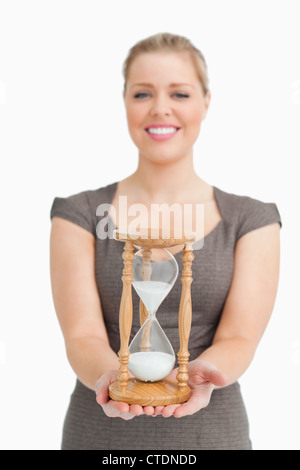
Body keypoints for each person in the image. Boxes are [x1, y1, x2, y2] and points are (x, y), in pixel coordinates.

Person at [50, 32, 282, 450]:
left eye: (179, 93)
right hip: (99, 437)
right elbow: (82, 333)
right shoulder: (81, 212)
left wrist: (204, 371)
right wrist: (111, 379)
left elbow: (239, 337)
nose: (160, 108)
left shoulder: (252, 218)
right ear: (124, 100)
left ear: (206, 101)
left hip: (211, 436)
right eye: (142, 93)